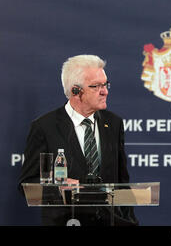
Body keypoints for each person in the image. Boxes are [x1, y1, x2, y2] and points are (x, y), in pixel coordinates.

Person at [18, 55, 138, 226]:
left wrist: (131, 221)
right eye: (96, 86)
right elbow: (27, 184)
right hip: (66, 221)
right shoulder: (45, 127)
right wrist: (56, 187)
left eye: (105, 84)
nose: (105, 91)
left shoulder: (113, 123)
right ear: (76, 91)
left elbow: (122, 182)